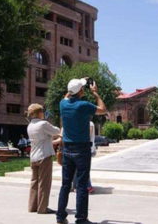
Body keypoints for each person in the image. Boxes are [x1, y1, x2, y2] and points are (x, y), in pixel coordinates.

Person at [57, 78, 106, 224]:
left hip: (68, 149)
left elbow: (67, 95)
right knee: (82, 185)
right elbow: (103, 109)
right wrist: (96, 94)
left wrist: (76, 85)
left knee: (66, 184)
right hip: (82, 149)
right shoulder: (83, 105)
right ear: (81, 91)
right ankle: (81, 219)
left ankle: (60, 217)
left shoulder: (63, 104)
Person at [27, 103, 62, 214]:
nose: (44, 113)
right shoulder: (43, 124)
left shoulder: (30, 125)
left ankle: (32, 206)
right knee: (44, 183)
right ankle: (42, 208)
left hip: (33, 156)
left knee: (34, 182)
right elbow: (56, 131)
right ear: (39, 113)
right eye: (43, 111)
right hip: (44, 156)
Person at [72, 121, 96, 194]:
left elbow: (87, 135)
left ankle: (88, 186)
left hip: (87, 149)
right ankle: (77, 186)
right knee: (78, 168)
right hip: (82, 149)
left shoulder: (89, 123)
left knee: (83, 168)